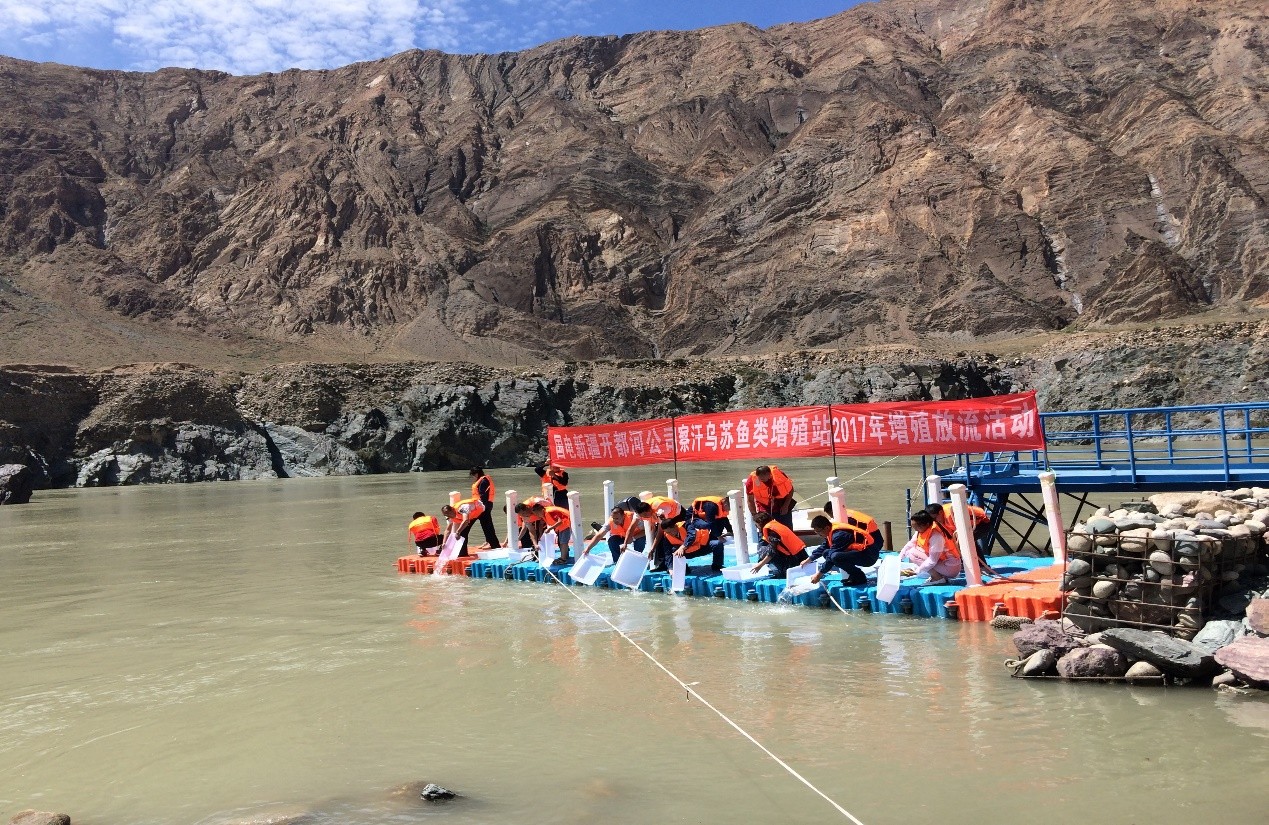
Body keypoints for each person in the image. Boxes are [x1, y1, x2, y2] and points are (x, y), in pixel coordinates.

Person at [807, 512, 884, 586]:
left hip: (869, 556)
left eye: (818, 531)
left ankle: (859, 577)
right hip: (861, 552)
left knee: (835, 557)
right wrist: (809, 559)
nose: (818, 534)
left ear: (826, 527)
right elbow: (825, 546)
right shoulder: (831, 530)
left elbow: (830, 558)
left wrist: (819, 574)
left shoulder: (839, 535)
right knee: (826, 552)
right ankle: (853, 574)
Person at [927, 503, 996, 575]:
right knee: (957, 543)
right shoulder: (938, 519)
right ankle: (965, 564)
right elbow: (950, 536)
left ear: (940, 512)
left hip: (982, 523)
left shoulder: (952, 514)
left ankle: (983, 566)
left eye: (934, 518)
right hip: (968, 526)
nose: (934, 521)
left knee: (967, 542)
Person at [901, 510, 962, 583]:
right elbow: (910, 544)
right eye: (914, 527)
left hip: (950, 568)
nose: (915, 529)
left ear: (926, 524)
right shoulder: (920, 531)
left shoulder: (936, 536)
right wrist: (899, 559)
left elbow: (932, 561)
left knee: (912, 553)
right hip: (942, 563)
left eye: (917, 527)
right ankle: (939, 575)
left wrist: (917, 571)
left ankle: (937, 578)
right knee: (912, 550)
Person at [751, 512, 808, 578]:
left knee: (765, 551)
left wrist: (760, 565)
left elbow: (772, 552)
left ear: (760, 522)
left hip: (794, 559)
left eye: (756, 524)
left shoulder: (771, 531)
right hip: (801, 554)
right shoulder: (775, 524)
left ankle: (781, 573)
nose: (757, 527)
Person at [469, 467, 501, 549]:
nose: (473, 477)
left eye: (473, 475)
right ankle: (489, 542)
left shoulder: (484, 481)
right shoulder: (483, 480)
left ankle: (493, 544)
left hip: (483, 506)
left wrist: (482, 507)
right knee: (486, 525)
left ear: (477, 473)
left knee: (487, 526)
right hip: (482, 505)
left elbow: (483, 495)